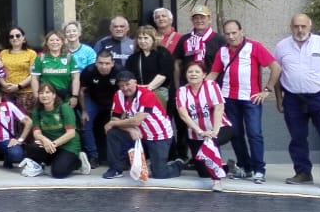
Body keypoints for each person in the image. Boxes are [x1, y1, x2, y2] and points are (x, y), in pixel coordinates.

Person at [274, 13, 320, 190]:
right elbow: (276, 73)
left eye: (303, 26)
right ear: (291, 27)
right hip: (293, 98)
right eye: (296, 26)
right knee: (297, 138)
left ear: (310, 26)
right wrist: (279, 98)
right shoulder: (281, 46)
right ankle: (303, 173)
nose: (300, 30)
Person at [211, 19, 279, 184]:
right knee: (236, 134)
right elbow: (213, 74)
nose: (231, 36)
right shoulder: (222, 51)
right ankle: (245, 167)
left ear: (242, 31)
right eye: (227, 34)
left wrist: (267, 90)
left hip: (251, 98)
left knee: (254, 133)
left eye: (234, 33)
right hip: (228, 98)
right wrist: (196, 90)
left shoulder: (254, 46)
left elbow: (276, 67)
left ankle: (258, 169)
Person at [102, 71, 180, 181]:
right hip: (138, 131)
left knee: (160, 174)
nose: (124, 88)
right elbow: (115, 117)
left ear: (135, 82)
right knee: (112, 132)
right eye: (121, 85)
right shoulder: (118, 94)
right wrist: (129, 129)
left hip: (158, 134)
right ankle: (115, 169)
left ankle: (178, 164)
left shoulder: (146, 94)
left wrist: (114, 123)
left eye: (127, 84)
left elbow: (137, 120)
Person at [176, 60, 230, 191]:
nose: (193, 74)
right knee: (203, 173)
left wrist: (214, 131)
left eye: (197, 72)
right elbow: (183, 114)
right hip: (196, 133)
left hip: (220, 127)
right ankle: (227, 167)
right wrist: (200, 131)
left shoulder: (211, 85)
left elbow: (219, 107)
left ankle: (217, 181)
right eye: (190, 72)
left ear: (204, 74)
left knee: (211, 143)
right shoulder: (182, 91)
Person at [24, 81, 84, 179]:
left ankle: (78, 162)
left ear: (54, 95)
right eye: (41, 93)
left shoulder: (64, 107)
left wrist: (53, 144)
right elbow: (36, 132)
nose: (44, 95)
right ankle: (54, 161)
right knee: (33, 147)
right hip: (50, 144)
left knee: (58, 173)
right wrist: (45, 140)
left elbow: (71, 133)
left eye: (47, 92)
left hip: (68, 145)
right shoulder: (37, 111)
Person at [78, 49, 120, 163]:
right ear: (96, 63)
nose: (104, 66)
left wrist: (122, 111)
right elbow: (81, 91)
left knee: (118, 124)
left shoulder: (119, 71)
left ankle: (119, 156)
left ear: (112, 63)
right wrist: (84, 110)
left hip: (113, 101)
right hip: (93, 99)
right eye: (101, 63)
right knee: (86, 122)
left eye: (107, 63)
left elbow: (124, 92)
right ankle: (93, 155)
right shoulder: (89, 71)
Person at [0, 26, 38, 109]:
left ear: (23, 38)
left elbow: (33, 74)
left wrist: (18, 86)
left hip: (26, 93)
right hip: (6, 93)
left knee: (25, 120)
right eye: (11, 36)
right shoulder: (3, 53)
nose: (15, 38)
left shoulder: (31, 53)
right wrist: (4, 84)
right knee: (7, 120)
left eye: (18, 35)